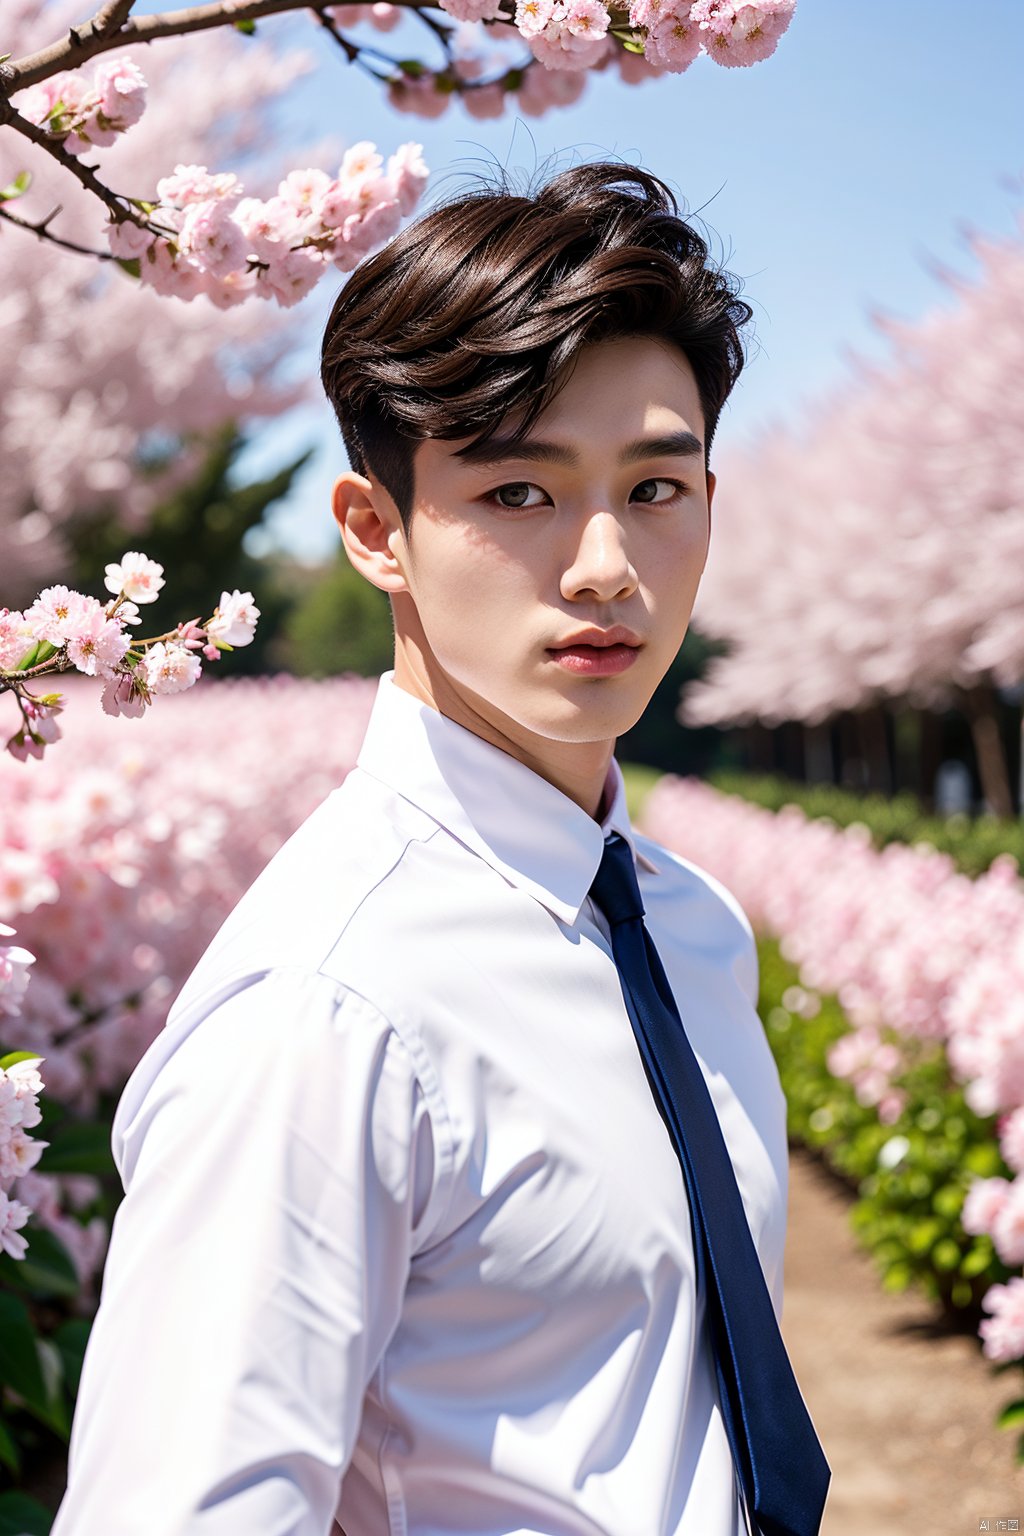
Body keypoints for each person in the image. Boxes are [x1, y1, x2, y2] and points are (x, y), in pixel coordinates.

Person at [52, 159, 824, 1536]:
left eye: (656, 488)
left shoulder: (689, 929)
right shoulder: (328, 1009)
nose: (605, 565)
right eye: (521, 493)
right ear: (375, 532)